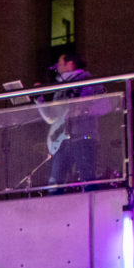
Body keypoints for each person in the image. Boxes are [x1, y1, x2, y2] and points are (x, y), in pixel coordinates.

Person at [37, 49, 101, 186]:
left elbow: (104, 105)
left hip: (83, 137)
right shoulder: (61, 87)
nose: (57, 67)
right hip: (63, 141)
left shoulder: (87, 81)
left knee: (87, 177)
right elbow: (51, 118)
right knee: (54, 182)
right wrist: (39, 101)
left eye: (60, 63)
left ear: (70, 64)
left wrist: (82, 110)